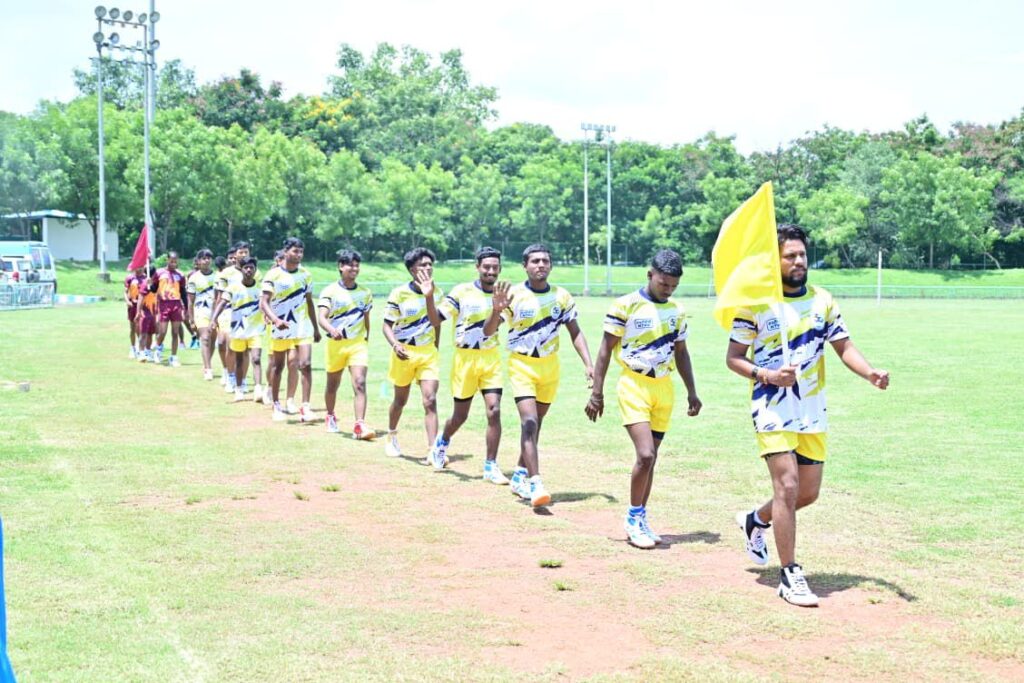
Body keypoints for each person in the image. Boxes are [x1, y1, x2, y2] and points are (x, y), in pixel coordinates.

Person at [727, 224, 890, 607]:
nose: (799, 261)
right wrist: (767, 375)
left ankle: (756, 519)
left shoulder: (823, 301)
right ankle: (790, 574)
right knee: (787, 487)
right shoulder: (755, 304)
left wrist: (869, 373)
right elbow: (733, 358)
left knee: (807, 493)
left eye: (802, 254)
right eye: (790, 256)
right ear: (775, 261)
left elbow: (844, 346)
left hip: (811, 409)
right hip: (771, 407)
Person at [585, 250, 702, 548]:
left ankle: (640, 518)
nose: (668, 290)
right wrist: (596, 392)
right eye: (664, 284)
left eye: (673, 286)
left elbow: (682, 353)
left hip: (664, 388)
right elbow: (605, 350)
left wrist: (692, 391)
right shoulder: (626, 305)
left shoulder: (676, 310)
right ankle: (632, 518)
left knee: (652, 459)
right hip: (633, 386)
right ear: (650, 275)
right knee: (645, 454)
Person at [495, 244, 593, 508]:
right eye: (535, 261)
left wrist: (588, 363)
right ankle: (535, 482)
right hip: (522, 365)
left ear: (550, 265)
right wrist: (495, 311)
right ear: (525, 265)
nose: (540, 265)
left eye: (545, 261)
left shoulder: (561, 296)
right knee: (529, 422)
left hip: (550, 368)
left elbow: (575, 331)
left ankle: (519, 474)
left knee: (536, 423)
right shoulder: (513, 294)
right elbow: (488, 331)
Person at [428, 246, 509, 484]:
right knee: (460, 416)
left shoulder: (504, 295)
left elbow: (490, 330)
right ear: (477, 267)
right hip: (464, 360)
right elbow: (435, 320)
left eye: (495, 267)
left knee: (494, 411)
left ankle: (490, 465)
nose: (491, 271)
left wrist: (497, 309)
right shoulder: (461, 292)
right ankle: (442, 442)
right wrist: (428, 297)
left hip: (490, 358)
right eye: (486, 267)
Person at [381, 247, 442, 459]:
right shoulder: (399, 293)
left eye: (430, 264)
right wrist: (395, 345)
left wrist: (436, 347)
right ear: (412, 269)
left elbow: (437, 323)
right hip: (404, 352)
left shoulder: (437, 292)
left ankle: (433, 449)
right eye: (422, 265)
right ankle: (391, 435)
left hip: (428, 353)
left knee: (430, 399)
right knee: (400, 400)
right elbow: (386, 325)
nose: (428, 268)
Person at [260, 237, 321, 422]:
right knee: (278, 366)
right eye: (295, 251)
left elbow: (309, 302)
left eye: (301, 251)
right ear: (285, 251)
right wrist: (275, 320)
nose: (299, 255)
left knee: (305, 364)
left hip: (302, 327)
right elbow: (264, 302)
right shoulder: (273, 275)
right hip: (281, 327)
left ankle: (305, 407)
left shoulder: (306, 275)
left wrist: (316, 328)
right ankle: (276, 405)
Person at [317, 249, 373, 437]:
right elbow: (322, 317)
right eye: (350, 265)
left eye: (357, 265)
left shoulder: (365, 293)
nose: (354, 269)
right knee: (333, 384)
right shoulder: (330, 291)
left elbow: (366, 319)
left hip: (358, 344)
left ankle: (360, 425)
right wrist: (331, 330)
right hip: (336, 345)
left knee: (360, 382)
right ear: (341, 266)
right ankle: (330, 415)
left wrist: (366, 337)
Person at [210, 256, 264, 402]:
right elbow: (222, 303)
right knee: (239, 361)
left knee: (256, 358)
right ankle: (239, 389)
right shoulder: (233, 288)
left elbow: (265, 304)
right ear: (241, 270)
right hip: (238, 330)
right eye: (246, 267)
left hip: (256, 330)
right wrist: (213, 319)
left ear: (255, 270)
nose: (249, 270)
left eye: (251, 267)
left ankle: (258, 389)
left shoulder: (260, 288)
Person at [214, 244, 246, 392]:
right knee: (228, 344)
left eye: (246, 252)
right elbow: (219, 296)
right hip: (228, 312)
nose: (244, 255)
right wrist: (215, 316)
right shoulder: (226, 273)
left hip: (246, 313)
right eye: (241, 252)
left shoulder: (254, 272)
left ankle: (242, 379)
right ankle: (229, 374)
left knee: (245, 349)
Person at [187, 249, 217, 381]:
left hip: (215, 313)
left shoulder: (217, 277)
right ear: (198, 261)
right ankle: (208, 369)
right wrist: (191, 319)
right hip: (201, 312)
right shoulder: (193, 278)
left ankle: (207, 362)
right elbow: (190, 301)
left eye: (209, 258)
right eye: (204, 258)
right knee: (205, 338)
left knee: (213, 340)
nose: (207, 261)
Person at [154, 252, 186, 366]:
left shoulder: (180, 275)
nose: (173, 264)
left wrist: (186, 307)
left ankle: (173, 357)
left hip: (176, 304)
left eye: (175, 261)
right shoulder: (159, 273)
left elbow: (183, 292)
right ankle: (158, 350)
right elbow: (153, 288)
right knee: (162, 332)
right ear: (167, 260)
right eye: (171, 261)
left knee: (175, 332)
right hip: (164, 304)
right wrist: (150, 285)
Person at [134, 267, 159, 362]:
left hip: (154, 313)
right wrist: (138, 312)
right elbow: (140, 298)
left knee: (150, 334)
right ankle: (141, 352)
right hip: (145, 312)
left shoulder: (156, 284)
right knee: (143, 333)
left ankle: (148, 351)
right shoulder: (145, 284)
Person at [124, 266, 146, 359]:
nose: (139, 269)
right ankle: (132, 348)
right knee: (133, 328)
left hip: (143, 307)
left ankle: (141, 348)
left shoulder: (146, 278)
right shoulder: (130, 278)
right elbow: (125, 292)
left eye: (141, 267)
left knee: (142, 329)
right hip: (132, 306)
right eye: (138, 267)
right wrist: (127, 301)